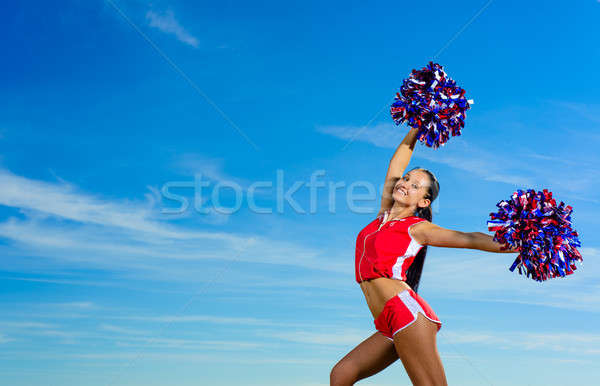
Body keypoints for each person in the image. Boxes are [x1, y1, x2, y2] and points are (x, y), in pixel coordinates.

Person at [330, 127, 519, 386]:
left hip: (405, 313)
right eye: (406, 179)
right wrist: (417, 126)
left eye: (415, 185)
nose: (405, 184)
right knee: (342, 374)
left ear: (424, 202)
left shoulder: (417, 229)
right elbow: (397, 161)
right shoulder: (383, 217)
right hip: (386, 321)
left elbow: (470, 239)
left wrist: (521, 244)